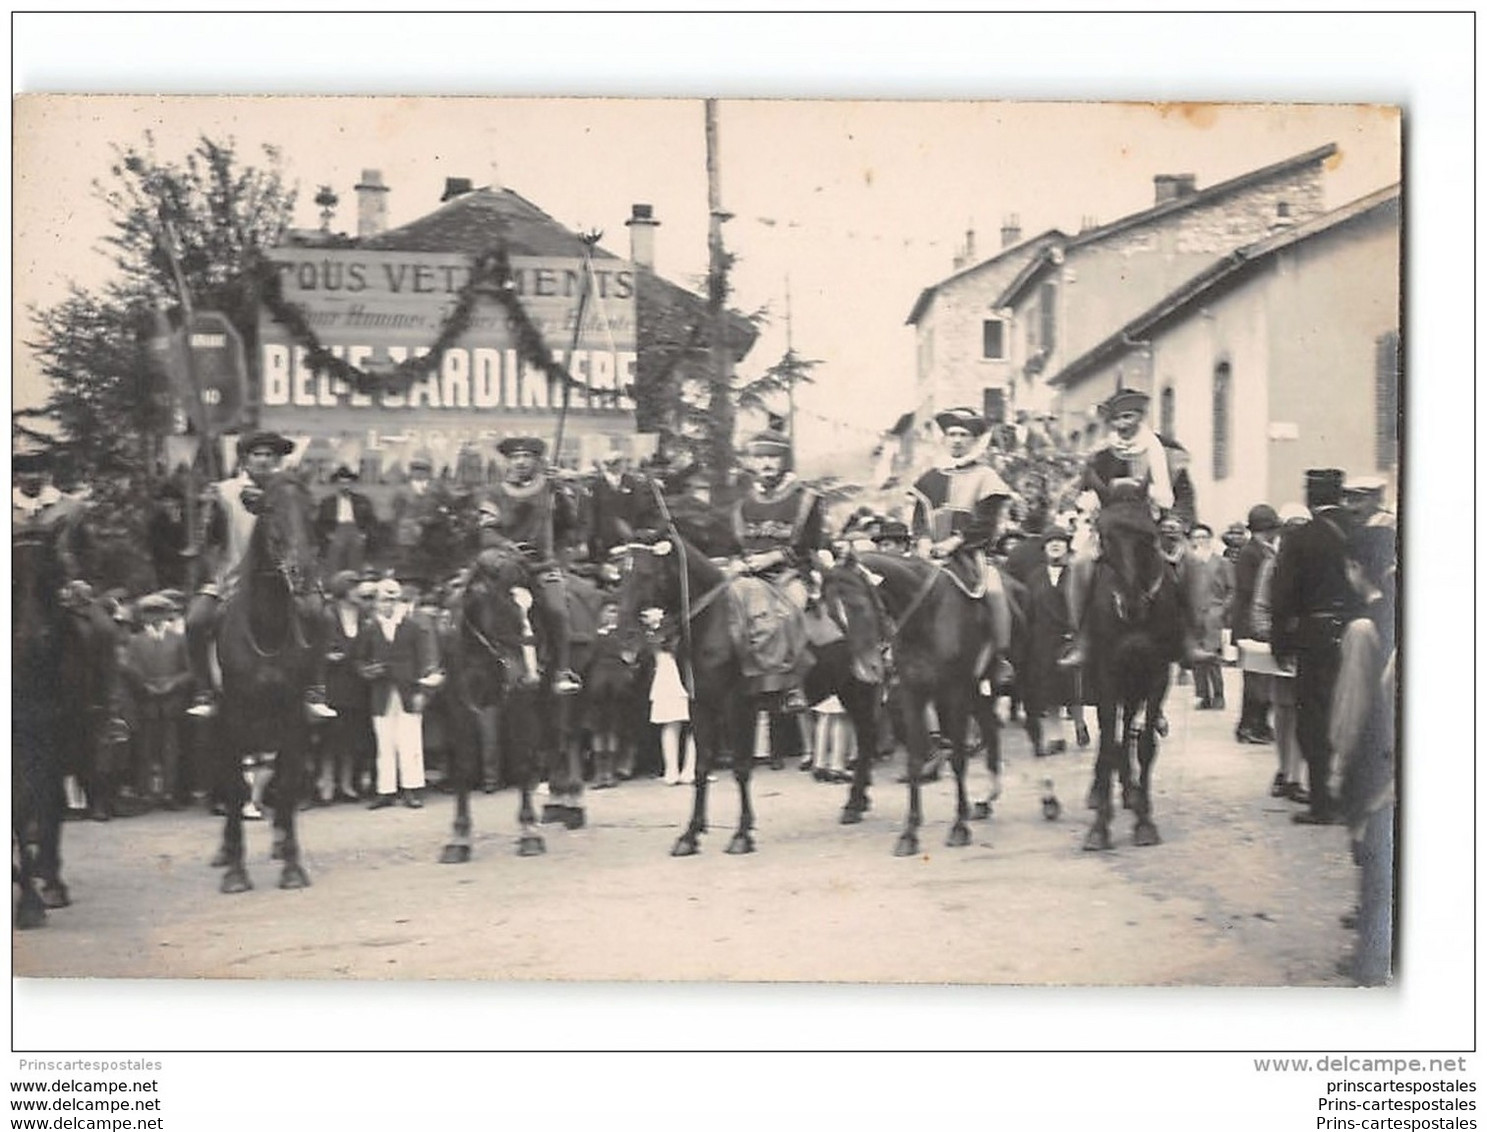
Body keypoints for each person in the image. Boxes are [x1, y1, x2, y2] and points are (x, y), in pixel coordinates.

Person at [184, 431, 335, 720]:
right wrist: (208, 514)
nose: (264, 461)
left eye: (270, 455)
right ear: (245, 459)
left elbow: (307, 534)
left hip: (289, 572)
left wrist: (302, 566)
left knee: (322, 616)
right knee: (195, 621)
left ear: (278, 459)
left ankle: (315, 688)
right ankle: (204, 689)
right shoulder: (224, 491)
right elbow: (210, 542)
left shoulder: (291, 490)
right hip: (230, 574)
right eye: (258, 454)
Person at [1327, 524, 1397, 986]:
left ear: (1355, 569)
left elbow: (1351, 710)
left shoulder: (1362, 628)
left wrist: (1338, 766)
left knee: (1375, 862)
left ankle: (1370, 962)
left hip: (1379, 761)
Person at [1270, 468, 1359, 825]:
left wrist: (1281, 644)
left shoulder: (1300, 537)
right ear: (1340, 495)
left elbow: (1283, 596)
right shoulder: (1361, 531)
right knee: (1356, 714)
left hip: (1315, 638)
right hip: (1358, 633)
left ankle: (1322, 803)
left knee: (1313, 720)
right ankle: (1352, 799)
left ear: (1310, 497)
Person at [907, 407, 1014, 680]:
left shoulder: (986, 477)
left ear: (974, 439)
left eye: (963, 434)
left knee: (995, 590)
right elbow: (919, 518)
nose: (956, 440)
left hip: (969, 554)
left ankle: (1001, 658)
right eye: (951, 434)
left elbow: (986, 524)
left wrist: (954, 543)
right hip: (928, 553)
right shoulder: (930, 477)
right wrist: (922, 540)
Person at [726, 429, 826, 713]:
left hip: (789, 573)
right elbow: (734, 545)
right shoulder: (741, 504)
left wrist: (772, 557)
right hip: (748, 576)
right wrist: (737, 561)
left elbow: (812, 544)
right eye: (760, 458)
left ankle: (793, 685)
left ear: (785, 460)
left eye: (773, 456)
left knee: (788, 612)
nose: (766, 463)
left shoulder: (806, 499)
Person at [481, 435, 583, 695]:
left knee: (558, 609)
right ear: (508, 462)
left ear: (537, 461)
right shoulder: (494, 493)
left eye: (527, 457)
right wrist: (507, 546)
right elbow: (486, 533)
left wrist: (560, 490)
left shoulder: (549, 489)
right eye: (516, 457)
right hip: (508, 565)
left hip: (542, 566)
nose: (521, 462)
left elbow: (569, 522)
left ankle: (562, 670)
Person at [359, 578, 441, 809]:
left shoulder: (412, 627)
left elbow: (425, 661)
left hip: (408, 691)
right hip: (381, 692)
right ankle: (386, 790)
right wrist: (368, 671)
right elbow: (359, 659)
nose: (389, 605)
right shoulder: (370, 629)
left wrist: (423, 691)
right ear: (376, 602)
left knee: (410, 742)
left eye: (394, 600)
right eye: (385, 599)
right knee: (384, 743)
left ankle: (412, 789)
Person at [118, 593, 192, 809]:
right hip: (146, 701)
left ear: (168, 614)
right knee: (145, 749)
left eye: (160, 613)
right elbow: (130, 669)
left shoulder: (178, 640)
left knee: (171, 748)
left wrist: (174, 684)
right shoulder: (136, 641)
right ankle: (146, 794)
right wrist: (144, 685)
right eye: (150, 613)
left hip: (171, 702)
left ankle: (169, 793)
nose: (155, 618)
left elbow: (189, 671)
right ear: (143, 617)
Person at [1021, 524, 1077, 757]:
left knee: (1076, 685)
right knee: (1049, 689)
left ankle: (1081, 723)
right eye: (1050, 542)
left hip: (1070, 638)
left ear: (1066, 546)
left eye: (1060, 541)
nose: (1055, 545)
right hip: (1042, 640)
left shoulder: (1076, 574)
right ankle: (1056, 736)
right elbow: (1027, 610)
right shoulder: (1035, 577)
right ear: (1044, 548)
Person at [319, 569, 374, 802]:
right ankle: (326, 784)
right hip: (334, 682)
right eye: (353, 587)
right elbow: (316, 646)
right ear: (343, 590)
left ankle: (347, 783)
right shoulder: (327, 614)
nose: (358, 592)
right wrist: (326, 656)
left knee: (353, 737)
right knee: (330, 738)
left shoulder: (364, 614)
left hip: (357, 682)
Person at [1232, 504, 1282, 744]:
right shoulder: (1251, 553)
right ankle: (1250, 726)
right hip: (1251, 626)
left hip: (1252, 623)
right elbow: (1249, 590)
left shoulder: (1260, 551)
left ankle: (1257, 724)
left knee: (1261, 678)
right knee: (1255, 680)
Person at [1185, 522, 1233, 710]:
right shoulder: (1189, 563)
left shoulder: (1222, 563)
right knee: (1196, 657)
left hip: (1214, 613)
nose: (1200, 541)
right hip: (1193, 615)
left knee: (1213, 657)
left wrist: (1223, 610)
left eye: (1204, 537)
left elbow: (1232, 590)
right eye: (1196, 538)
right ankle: (1202, 695)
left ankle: (1219, 695)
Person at [315, 464, 380, 579]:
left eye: (347, 483)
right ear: (337, 484)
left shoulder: (362, 500)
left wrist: (365, 533)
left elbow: (371, 520)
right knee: (336, 547)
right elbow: (320, 523)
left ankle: (354, 580)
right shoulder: (327, 502)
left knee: (357, 546)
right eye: (342, 483)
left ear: (351, 484)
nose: (345, 486)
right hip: (337, 529)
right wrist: (328, 534)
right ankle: (334, 581)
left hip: (356, 528)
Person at [587, 450, 646, 562]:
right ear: (610, 465)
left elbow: (638, 506)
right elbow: (591, 513)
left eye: (624, 462)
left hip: (627, 534)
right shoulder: (597, 485)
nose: (624, 465)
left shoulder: (631, 482)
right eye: (619, 462)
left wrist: (631, 527)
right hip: (603, 536)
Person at [146, 481, 191, 591]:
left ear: (178, 502)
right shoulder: (156, 522)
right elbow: (157, 545)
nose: (168, 504)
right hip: (165, 566)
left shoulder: (188, 519)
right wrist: (179, 554)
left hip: (187, 565)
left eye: (171, 501)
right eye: (165, 501)